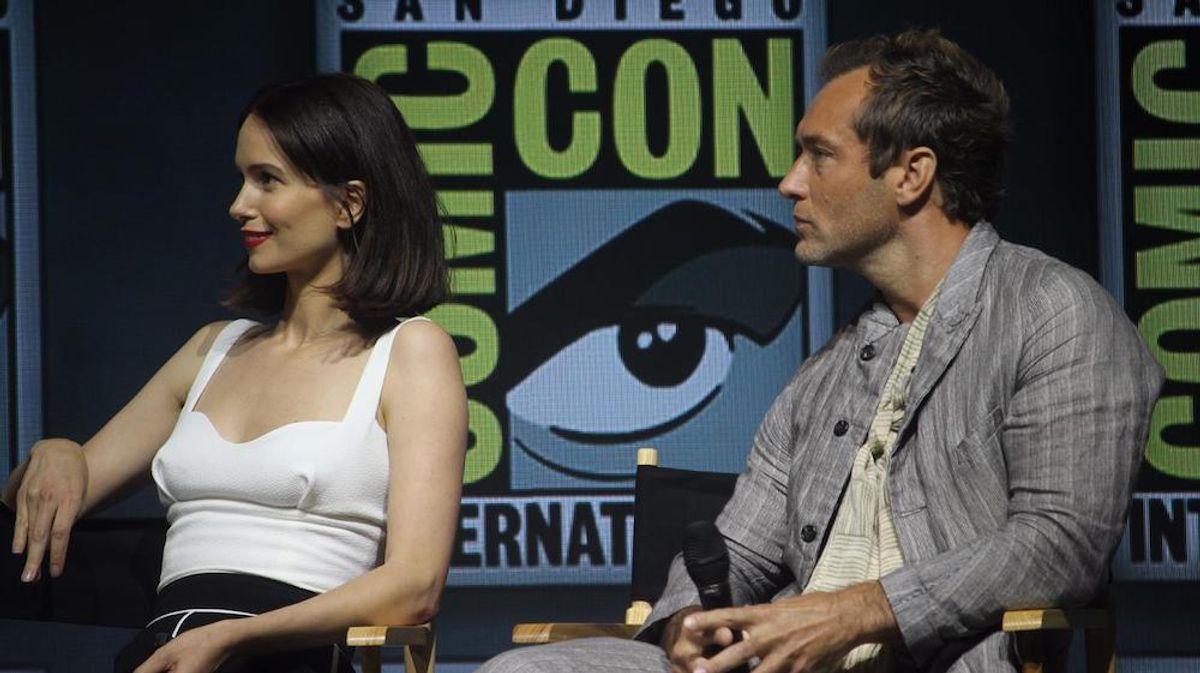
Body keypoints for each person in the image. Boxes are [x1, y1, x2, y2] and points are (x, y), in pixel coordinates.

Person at [477, 28, 1163, 673]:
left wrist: (852, 613)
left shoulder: (1053, 311)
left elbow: (1059, 544)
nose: (790, 182)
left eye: (819, 154)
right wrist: (686, 621)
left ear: (911, 174)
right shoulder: (826, 371)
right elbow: (739, 545)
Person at [2, 73, 468, 673]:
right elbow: (38, 507)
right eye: (242, 178)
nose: (239, 205)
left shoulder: (410, 352)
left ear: (348, 203)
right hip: (164, 655)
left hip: (287, 659)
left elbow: (415, 586)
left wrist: (230, 638)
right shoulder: (212, 349)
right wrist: (54, 452)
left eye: (267, 180)